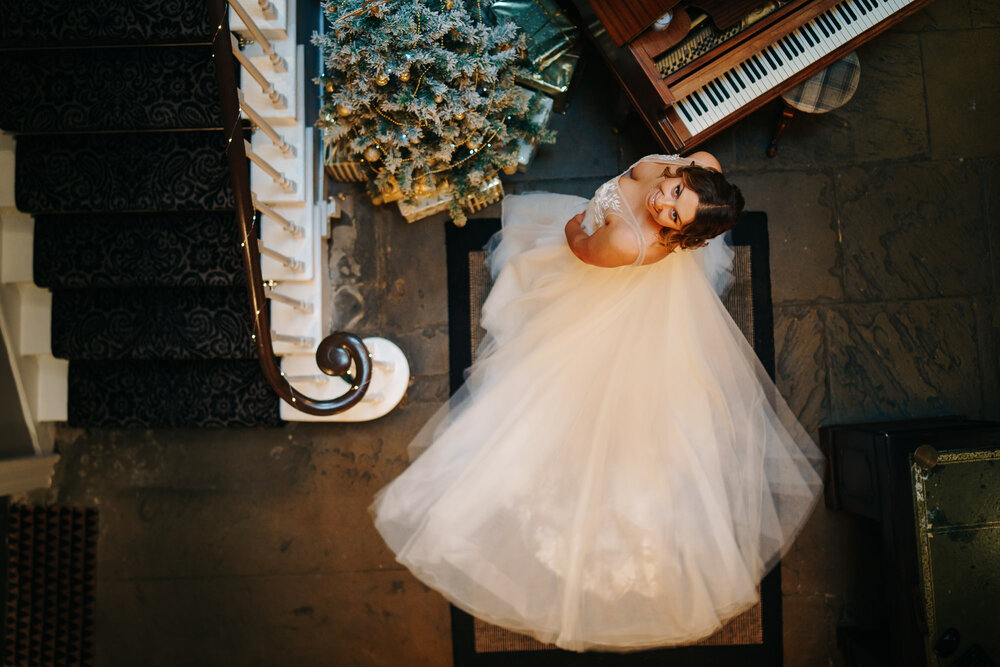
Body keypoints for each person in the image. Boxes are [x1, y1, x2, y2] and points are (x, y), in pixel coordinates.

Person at [371, 153, 824, 652]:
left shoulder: (626, 239)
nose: (661, 202)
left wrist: (581, 224)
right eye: (675, 192)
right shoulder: (703, 163)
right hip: (623, 247)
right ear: (690, 175)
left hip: (599, 256)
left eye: (674, 216)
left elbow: (579, 245)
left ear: (678, 235)